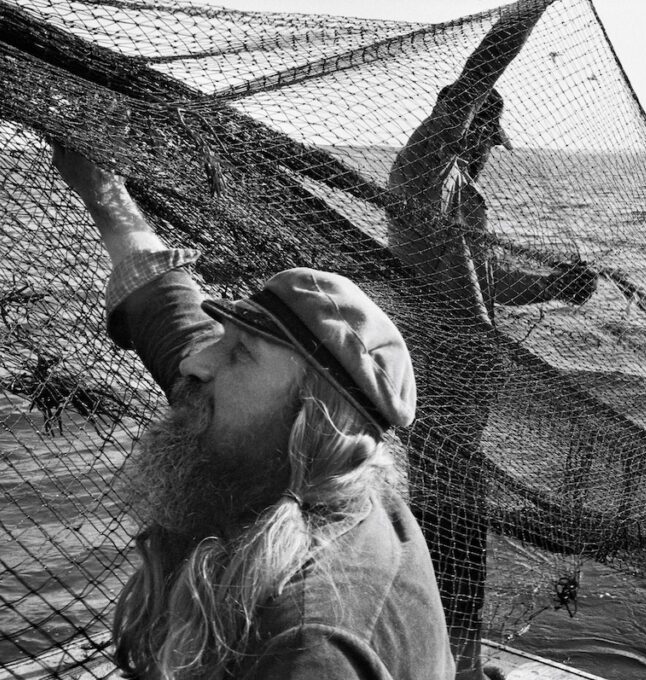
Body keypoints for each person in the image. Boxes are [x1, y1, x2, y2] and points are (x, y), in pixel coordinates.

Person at [50, 142, 455, 680]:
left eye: (239, 353)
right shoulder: (315, 465)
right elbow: (168, 301)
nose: (197, 361)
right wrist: (103, 191)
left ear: (311, 420)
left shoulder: (310, 644)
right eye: (223, 336)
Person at [386, 2, 595, 678]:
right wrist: (527, 15)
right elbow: (476, 78)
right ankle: (450, 668)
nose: (486, 152)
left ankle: (457, 663)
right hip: (440, 397)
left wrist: (555, 287)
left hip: (464, 404)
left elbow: (487, 277)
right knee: (449, 541)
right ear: (464, 125)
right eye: (481, 136)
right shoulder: (421, 170)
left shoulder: (460, 193)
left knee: (460, 537)